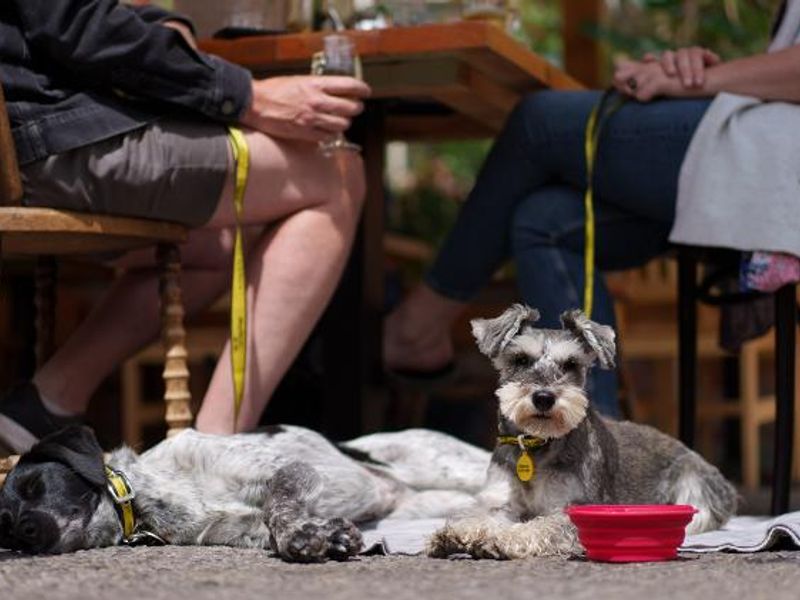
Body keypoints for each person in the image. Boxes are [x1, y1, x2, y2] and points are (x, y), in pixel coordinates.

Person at [384, 0, 800, 417]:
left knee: (539, 124)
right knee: (543, 218)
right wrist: (700, 70)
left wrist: (704, 80)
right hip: (764, 166)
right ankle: (594, 444)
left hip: (779, 168)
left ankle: (418, 326)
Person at [0, 0, 371, 452]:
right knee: (336, 175)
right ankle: (215, 452)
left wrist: (162, 23)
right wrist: (248, 97)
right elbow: (84, 29)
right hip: (50, 144)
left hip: (32, 145)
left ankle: (47, 402)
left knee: (214, 247)